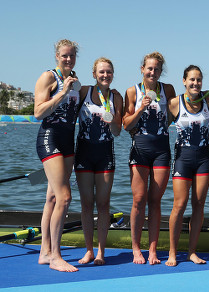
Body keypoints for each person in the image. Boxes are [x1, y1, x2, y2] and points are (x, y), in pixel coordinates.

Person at [123, 52, 176, 264]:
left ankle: (152, 250)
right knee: (138, 200)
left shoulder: (168, 89)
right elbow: (126, 124)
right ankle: (136, 248)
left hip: (162, 150)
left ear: (161, 72)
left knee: (155, 201)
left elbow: (174, 114)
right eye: (149, 68)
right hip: (140, 150)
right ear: (142, 69)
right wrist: (141, 109)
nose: (152, 72)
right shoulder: (132, 91)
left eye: (157, 69)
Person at [34, 39, 81, 272]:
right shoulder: (48, 77)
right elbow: (38, 112)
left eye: (72, 56)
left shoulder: (75, 79)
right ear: (56, 56)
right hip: (49, 138)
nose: (68, 59)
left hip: (68, 141)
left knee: (52, 198)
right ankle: (56, 256)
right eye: (64, 56)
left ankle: (44, 251)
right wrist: (62, 93)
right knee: (64, 198)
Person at [166, 65, 209, 267]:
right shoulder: (174, 103)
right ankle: (172, 252)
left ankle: (191, 252)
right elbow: (160, 127)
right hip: (182, 159)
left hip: (204, 159)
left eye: (198, 80)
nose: (195, 83)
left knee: (199, 205)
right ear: (184, 81)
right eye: (192, 80)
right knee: (179, 205)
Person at [75, 57, 123, 265]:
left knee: (103, 204)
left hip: (105, 155)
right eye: (102, 72)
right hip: (84, 153)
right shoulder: (83, 91)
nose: (105, 75)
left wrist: (112, 119)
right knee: (87, 204)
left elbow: (117, 131)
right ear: (94, 74)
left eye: (109, 72)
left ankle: (101, 252)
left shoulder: (116, 96)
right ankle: (88, 250)